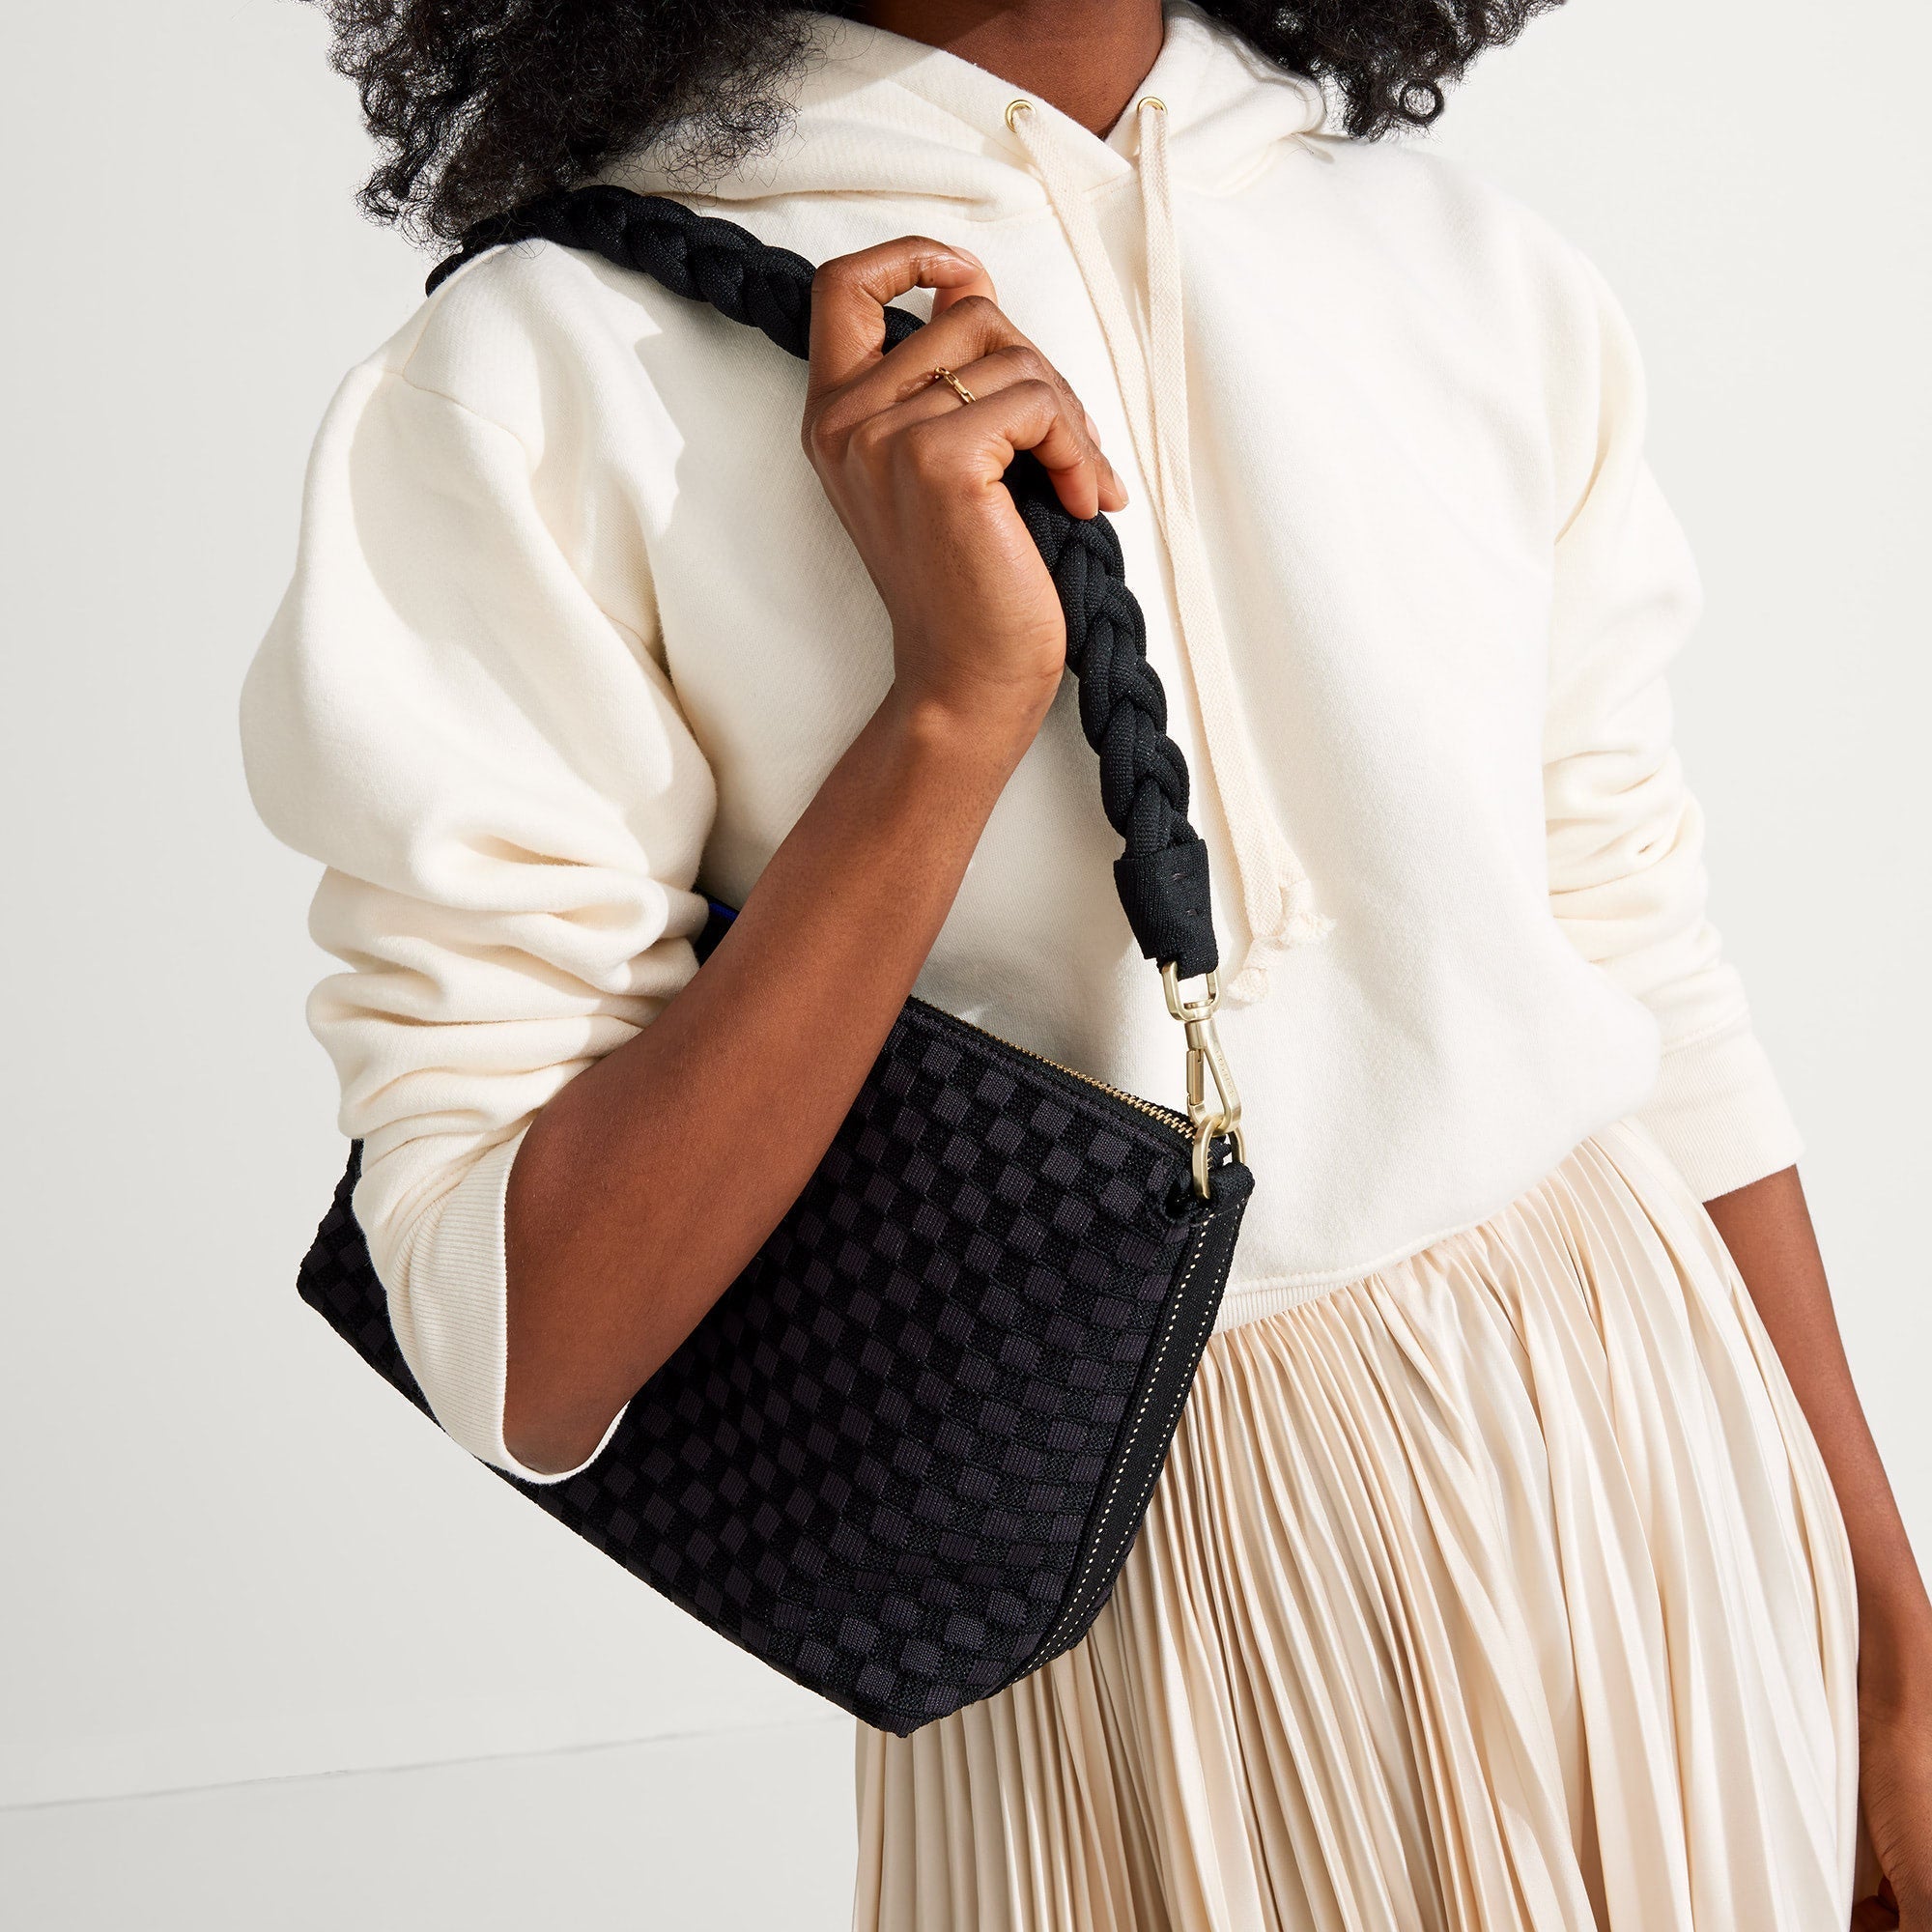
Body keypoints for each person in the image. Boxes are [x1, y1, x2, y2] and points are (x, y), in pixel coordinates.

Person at [239, 1, 1932, 1923]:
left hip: (1654, 1458)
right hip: (1121, 1585)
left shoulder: (1458, 261)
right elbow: (522, 1351)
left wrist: (1875, 1605)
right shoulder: (552, 378)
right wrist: (954, 710)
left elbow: (1636, 951)